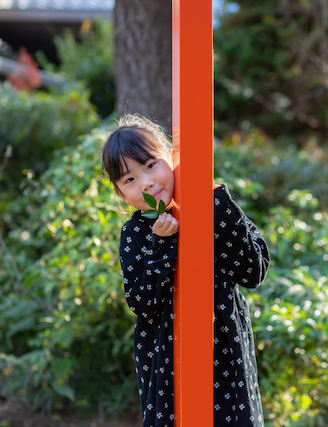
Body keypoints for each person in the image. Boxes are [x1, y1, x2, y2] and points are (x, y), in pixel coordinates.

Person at [101, 114, 270, 427]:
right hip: (168, 362)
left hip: (224, 348)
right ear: (121, 194)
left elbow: (253, 271)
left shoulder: (211, 204)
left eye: (151, 165)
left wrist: (216, 201)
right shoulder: (136, 232)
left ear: (171, 158)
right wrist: (161, 245)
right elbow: (143, 304)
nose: (147, 182)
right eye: (130, 179)